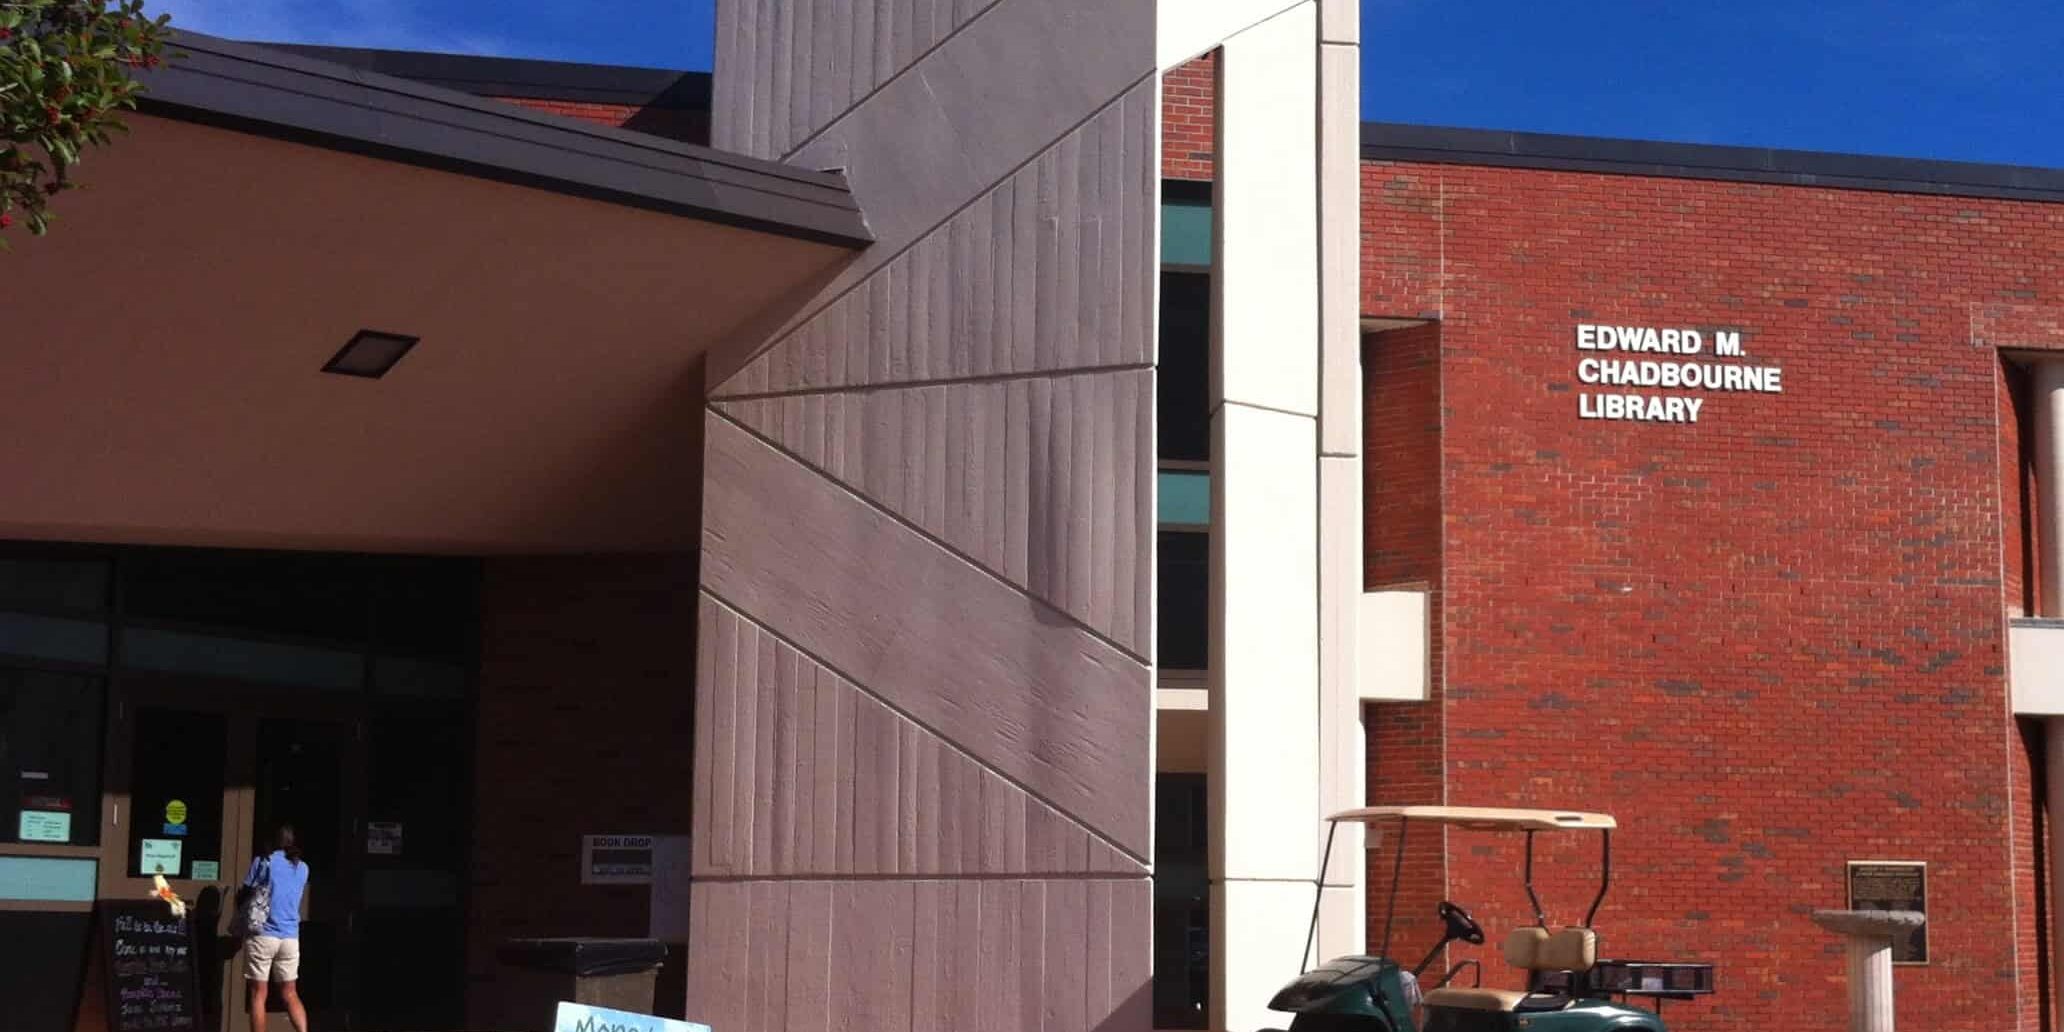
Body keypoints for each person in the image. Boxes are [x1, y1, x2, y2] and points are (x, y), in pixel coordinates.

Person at [242, 825, 311, 1032]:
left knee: (258, 994)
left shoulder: (264, 862)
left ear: (273, 841)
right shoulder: (303, 868)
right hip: (290, 937)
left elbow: (245, 893)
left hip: (263, 935)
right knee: (290, 993)